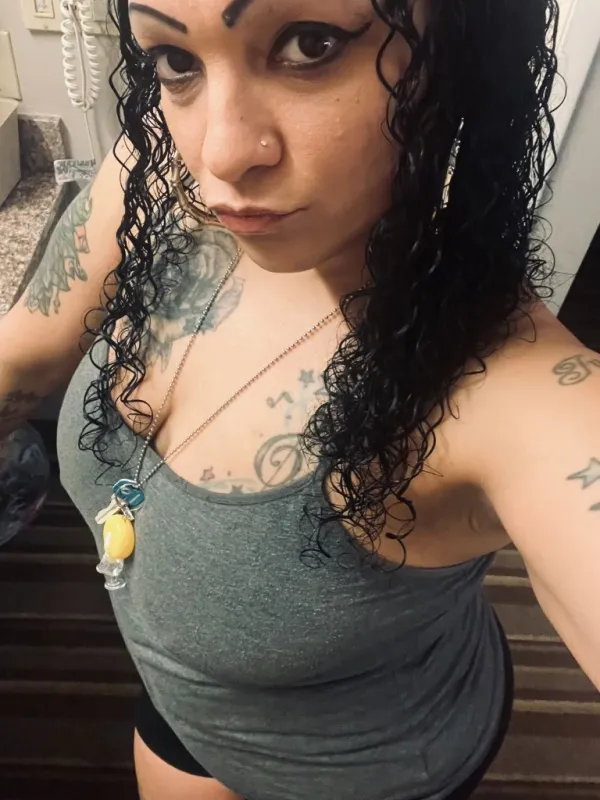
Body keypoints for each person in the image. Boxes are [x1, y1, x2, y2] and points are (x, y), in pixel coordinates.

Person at [0, 0, 598, 798]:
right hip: (184, 706)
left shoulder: (509, 389)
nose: (220, 153)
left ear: (460, 48)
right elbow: (24, 357)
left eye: (310, 45)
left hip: (370, 765)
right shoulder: (157, 174)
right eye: (176, 62)